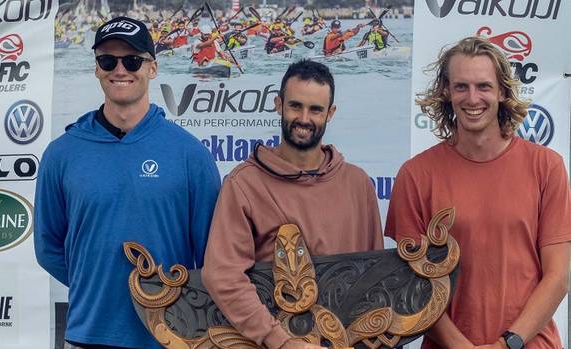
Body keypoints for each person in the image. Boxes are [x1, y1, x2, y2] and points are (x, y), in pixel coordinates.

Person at [34, 16, 221, 349]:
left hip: (171, 338)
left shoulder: (190, 154)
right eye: (108, 60)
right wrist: (97, 285)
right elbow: (48, 248)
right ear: (96, 68)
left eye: (132, 60)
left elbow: (213, 256)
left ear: (152, 67)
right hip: (87, 334)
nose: (120, 70)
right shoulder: (60, 154)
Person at [385, 36, 571, 349]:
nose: (473, 98)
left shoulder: (546, 167)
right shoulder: (415, 175)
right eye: (461, 86)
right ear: (446, 91)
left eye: (484, 86)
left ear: (502, 91)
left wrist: (507, 343)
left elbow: (559, 276)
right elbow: (413, 286)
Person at [201, 59, 384, 349]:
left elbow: (375, 275)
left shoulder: (358, 184)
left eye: (315, 109)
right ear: (278, 104)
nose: (304, 118)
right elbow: (222, 275)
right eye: (295, 106)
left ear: (330, 113)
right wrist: (279, 340)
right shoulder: (244, 184)